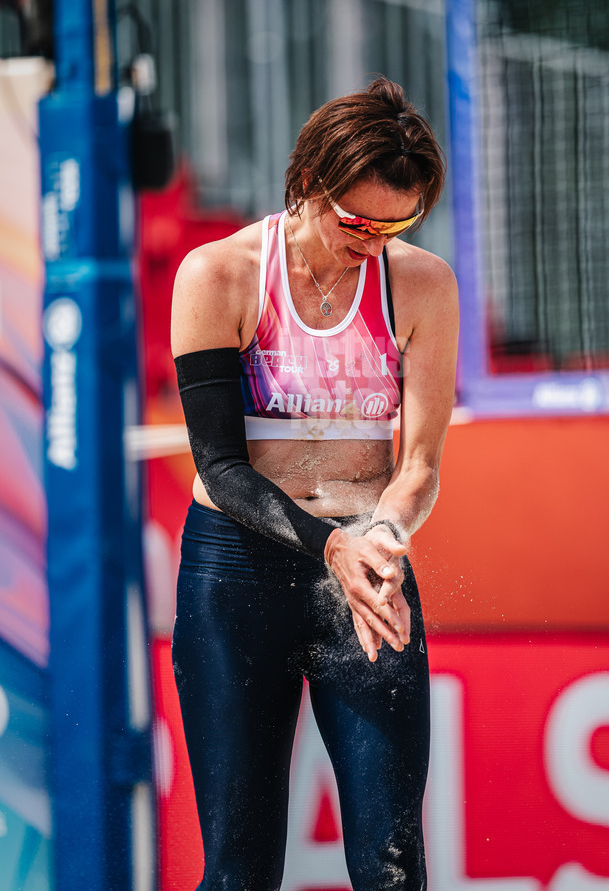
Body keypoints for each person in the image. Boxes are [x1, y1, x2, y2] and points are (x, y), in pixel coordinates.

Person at [171, 76, 459, 891]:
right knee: (239, 870)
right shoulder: (218, 274)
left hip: (363, 565)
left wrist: (381, 539)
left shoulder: (421, 284)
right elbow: (221, 469)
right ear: (307, 181)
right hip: (237, 569)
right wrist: (329, 544)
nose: (373, 240)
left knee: (392, 869)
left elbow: (420, 468)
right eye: (357, 221)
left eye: (396, 224)